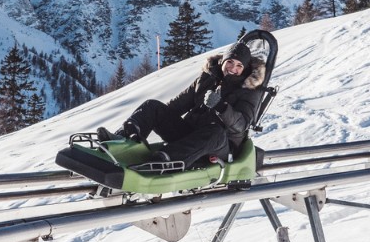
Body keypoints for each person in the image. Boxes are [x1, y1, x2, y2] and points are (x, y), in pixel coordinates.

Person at [98, 43, 264, 169]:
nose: (233, 69)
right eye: (230, 62)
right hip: (190, 135)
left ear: (245, 68)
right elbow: (176, 106)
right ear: (222, 62)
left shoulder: (250, 90)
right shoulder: (207, 79)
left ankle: (166, 160)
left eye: (239, 65)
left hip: (222, 145)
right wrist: (156, 116)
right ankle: (122, 141)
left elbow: (241, 126)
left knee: (215, 131)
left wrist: (221, 107)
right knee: (152, 106)